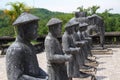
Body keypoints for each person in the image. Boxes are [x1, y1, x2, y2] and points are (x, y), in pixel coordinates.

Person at [6, 12, 48, 80]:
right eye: (35, 29)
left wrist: (45, 75)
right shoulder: (15, 49)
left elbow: (34, 67)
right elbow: (15, 77)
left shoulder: (29, 46)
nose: (37, 31)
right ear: (23, 30)